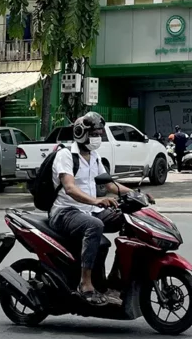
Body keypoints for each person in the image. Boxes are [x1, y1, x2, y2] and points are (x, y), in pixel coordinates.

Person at [49, 112, 143, 306]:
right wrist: (96, 201)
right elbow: (70, 188)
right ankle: (85, 283)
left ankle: (116, 279)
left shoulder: (94, 156)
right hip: (65, 212)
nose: (97, 137)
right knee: (95, 225)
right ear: (80, 133)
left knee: (128, 220)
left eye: (99, 133)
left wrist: (135, 194)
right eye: (94, 133)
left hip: (88, 209)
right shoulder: (65, 155)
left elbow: (109, 185)